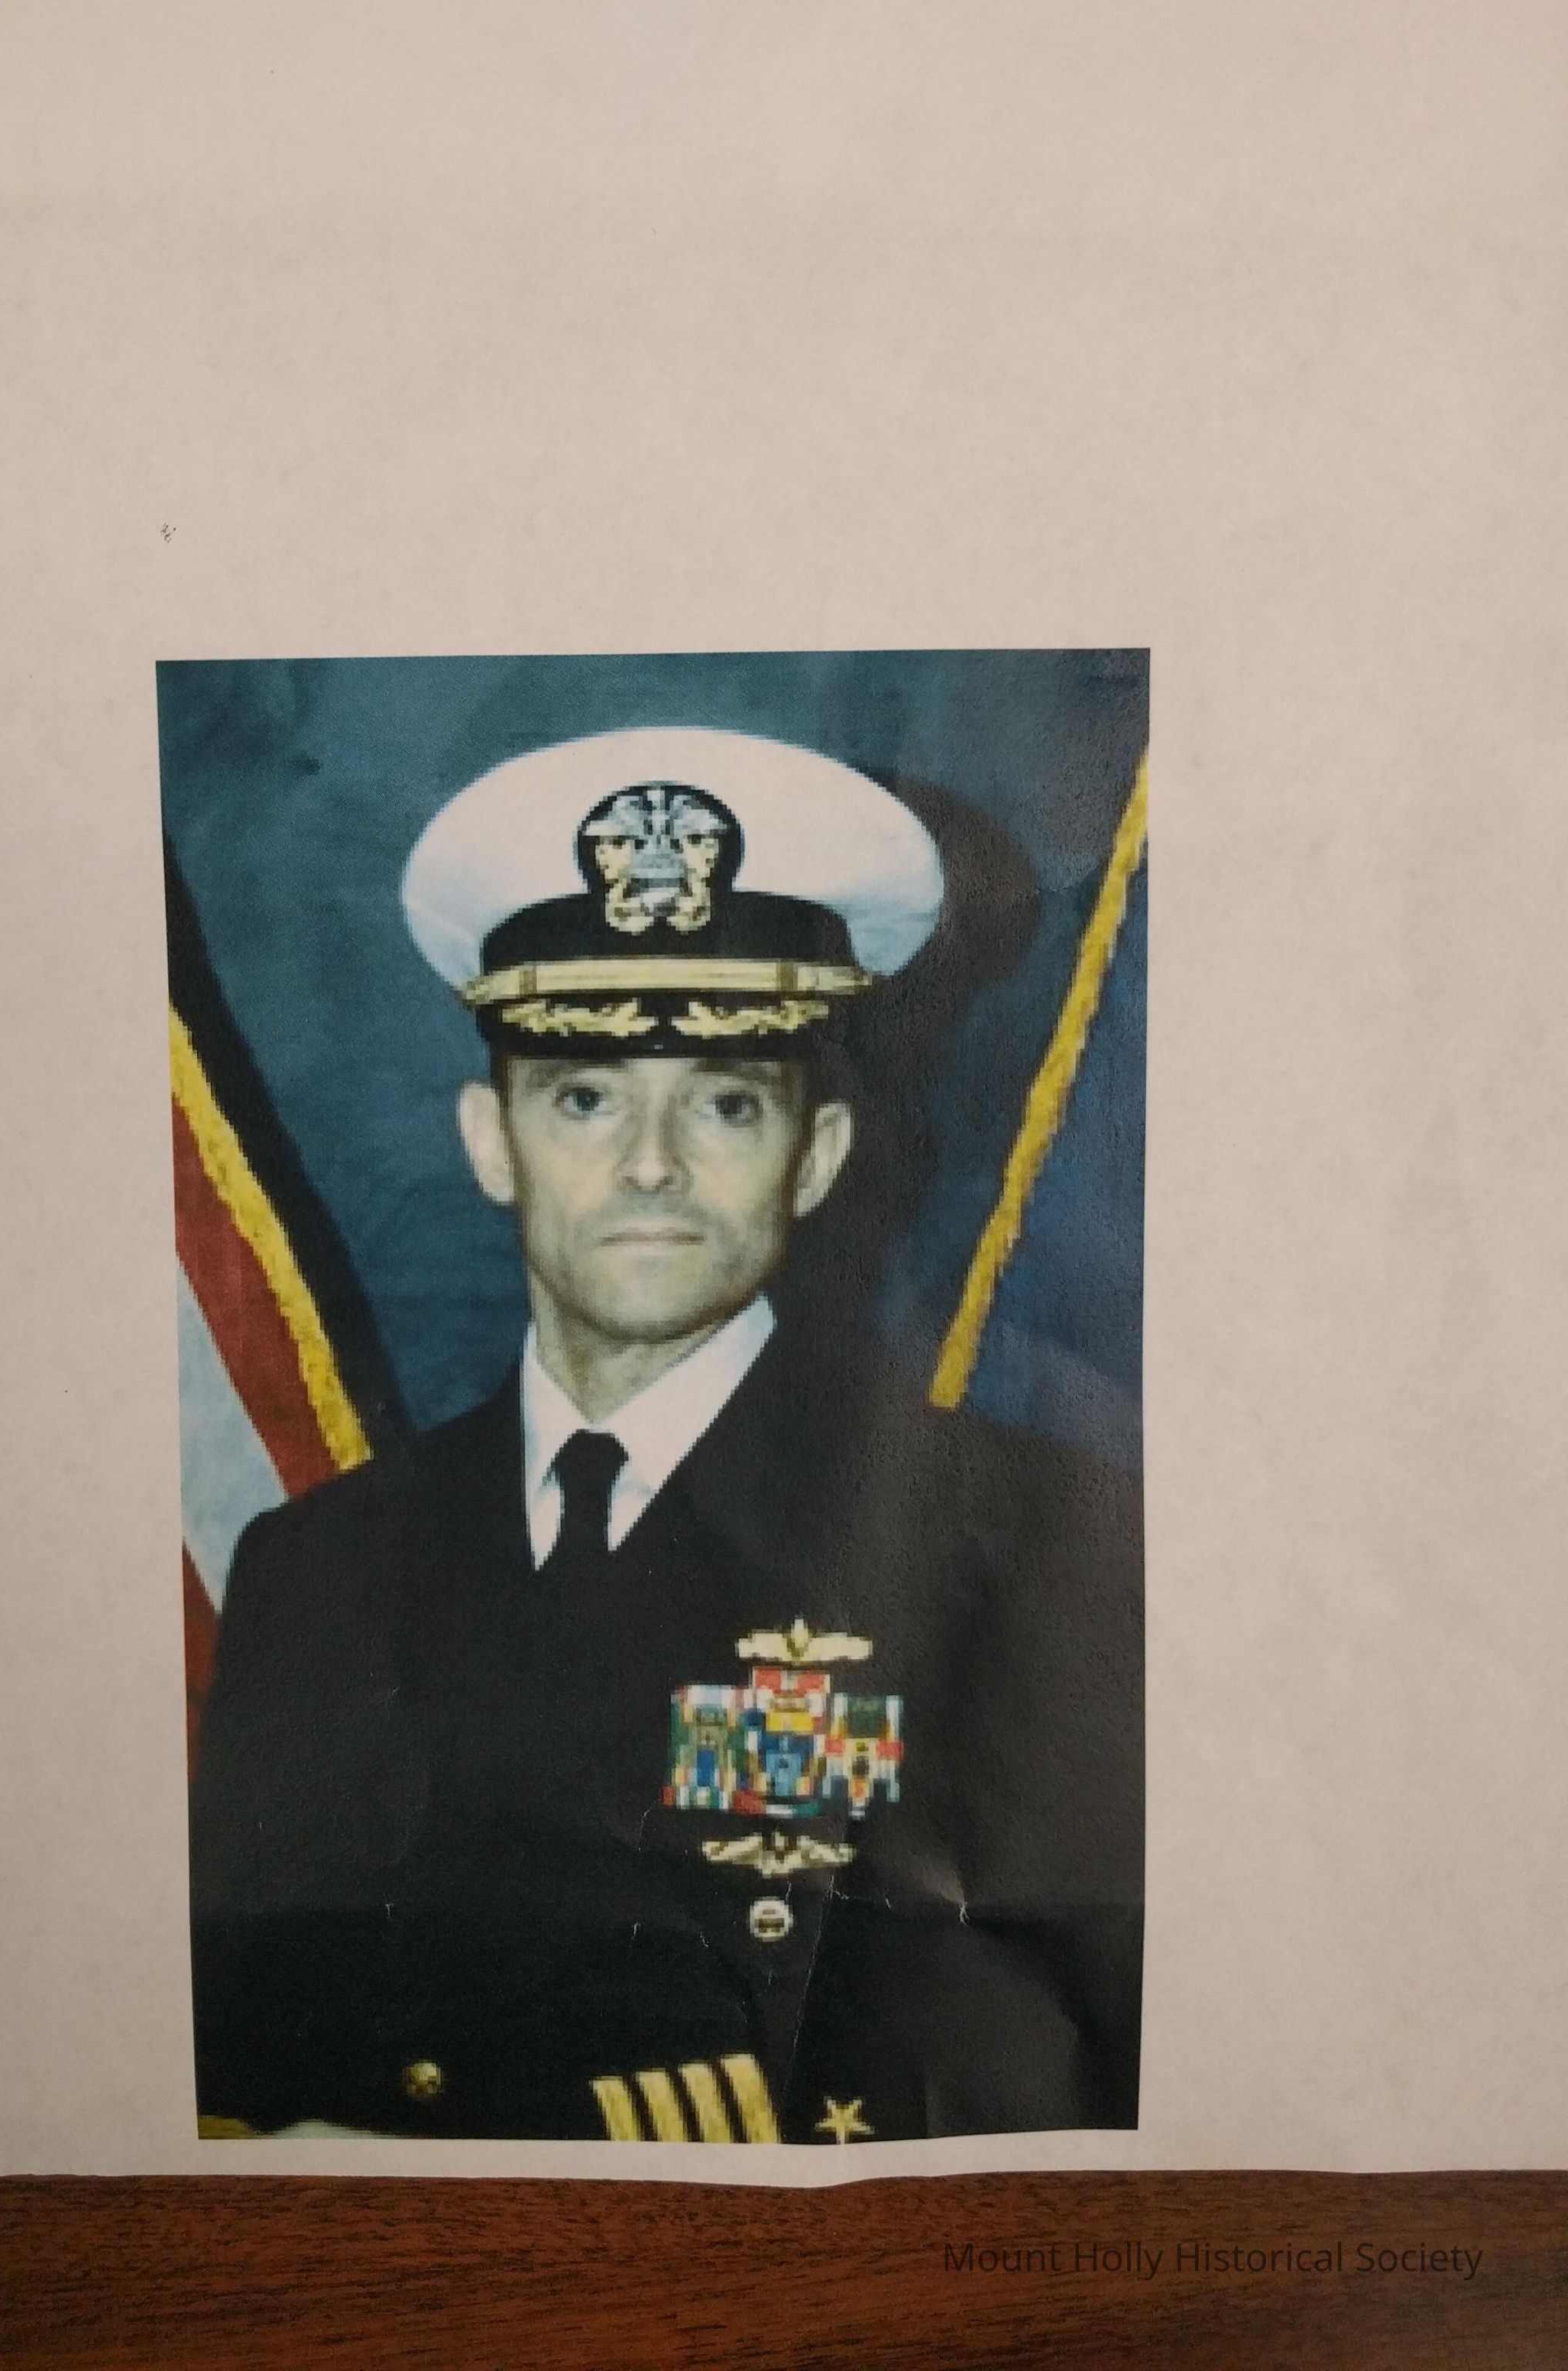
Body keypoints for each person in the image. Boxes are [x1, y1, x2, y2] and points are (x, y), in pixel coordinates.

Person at [190, 728, 1142, 2144]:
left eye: (726, 1102)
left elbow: (1055, 2051)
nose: (650, 1165)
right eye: (584, 1098)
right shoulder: (311, 1567)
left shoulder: (1027, 1547)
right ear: (489, 1141)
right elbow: (230, 2049)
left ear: (815, 1157)